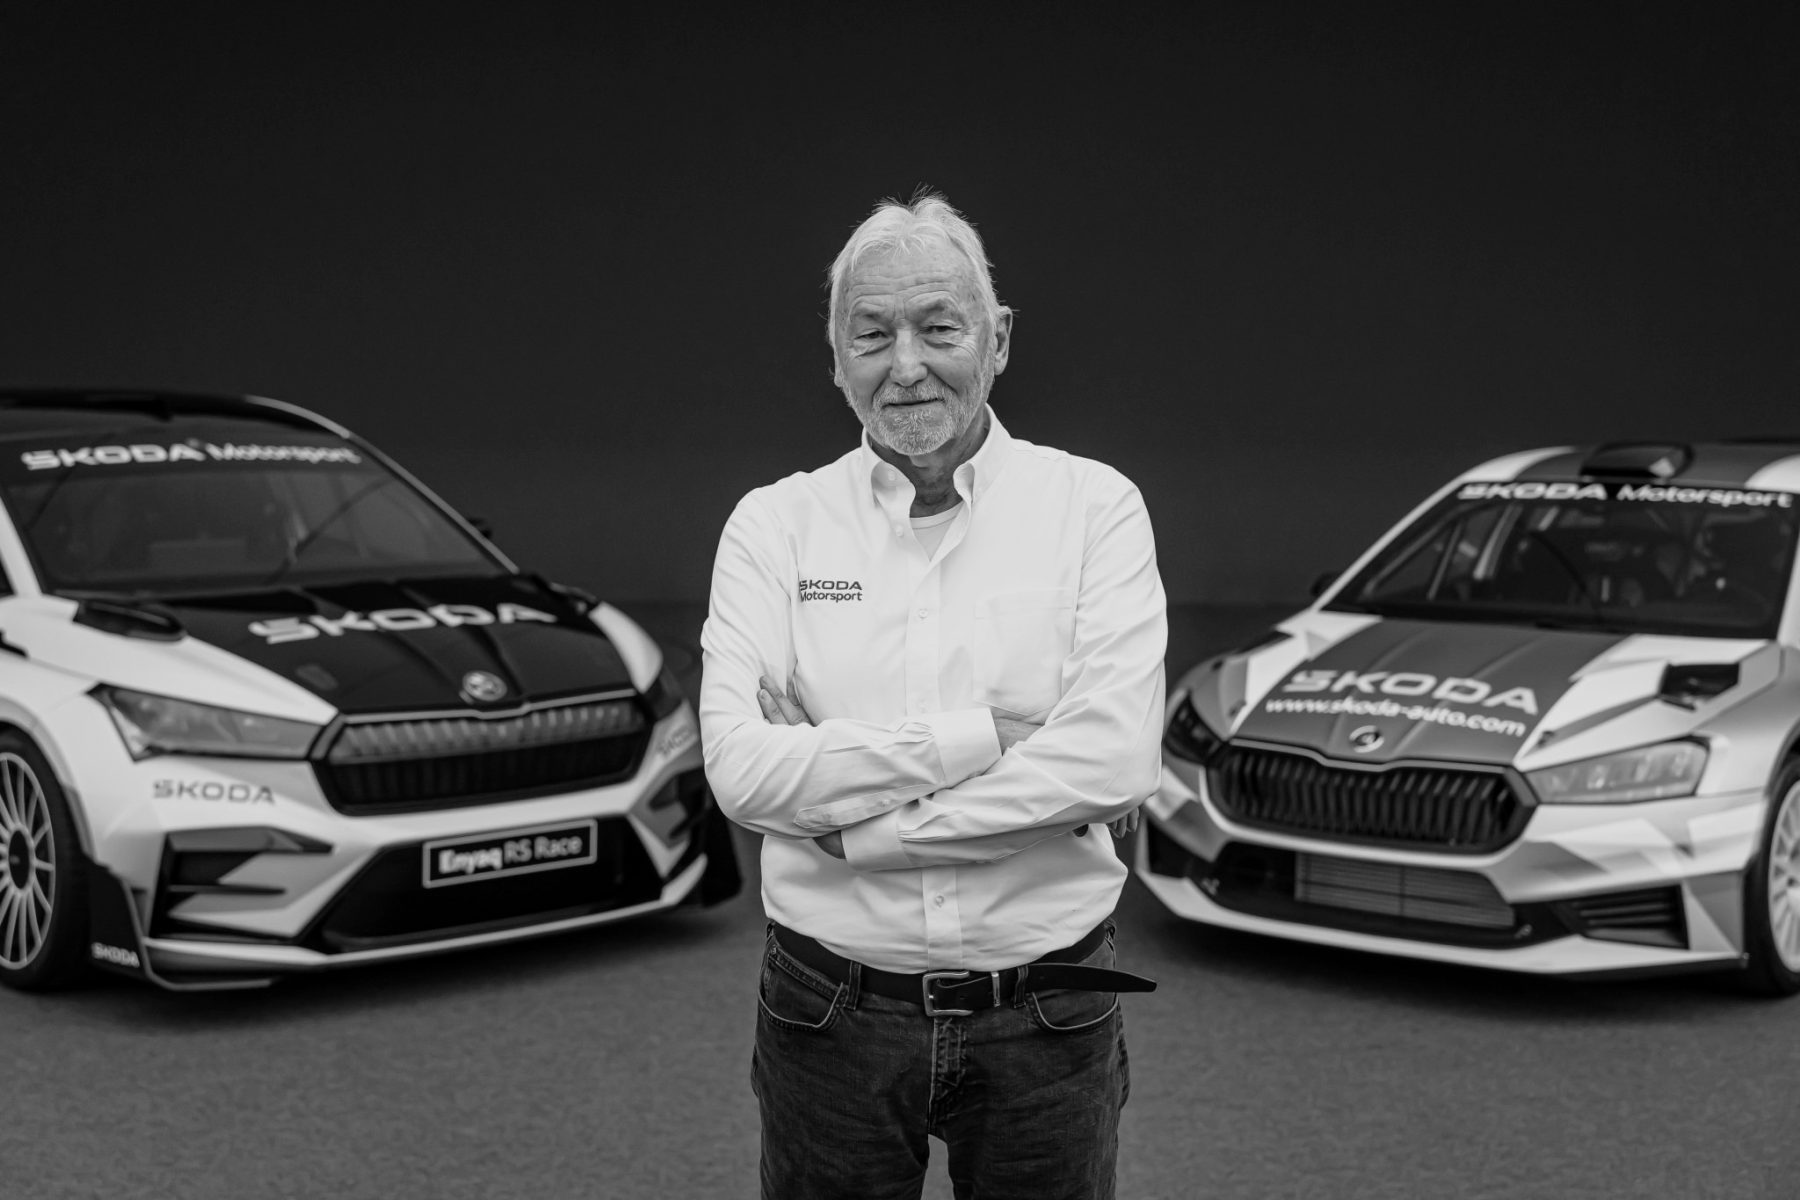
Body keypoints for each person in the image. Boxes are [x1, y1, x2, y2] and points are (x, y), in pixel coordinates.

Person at [699, 190, 1167, 1200]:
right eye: (872, 334)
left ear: (999, 340)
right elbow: (741, 773)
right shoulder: (773, 526)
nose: (905, 365)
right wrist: (985, 738)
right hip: (829, 1010)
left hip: (1052, 1011)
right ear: (836, 359)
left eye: (938, 328)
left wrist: (859, 828)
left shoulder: (1095, 509)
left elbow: (1114, 761)